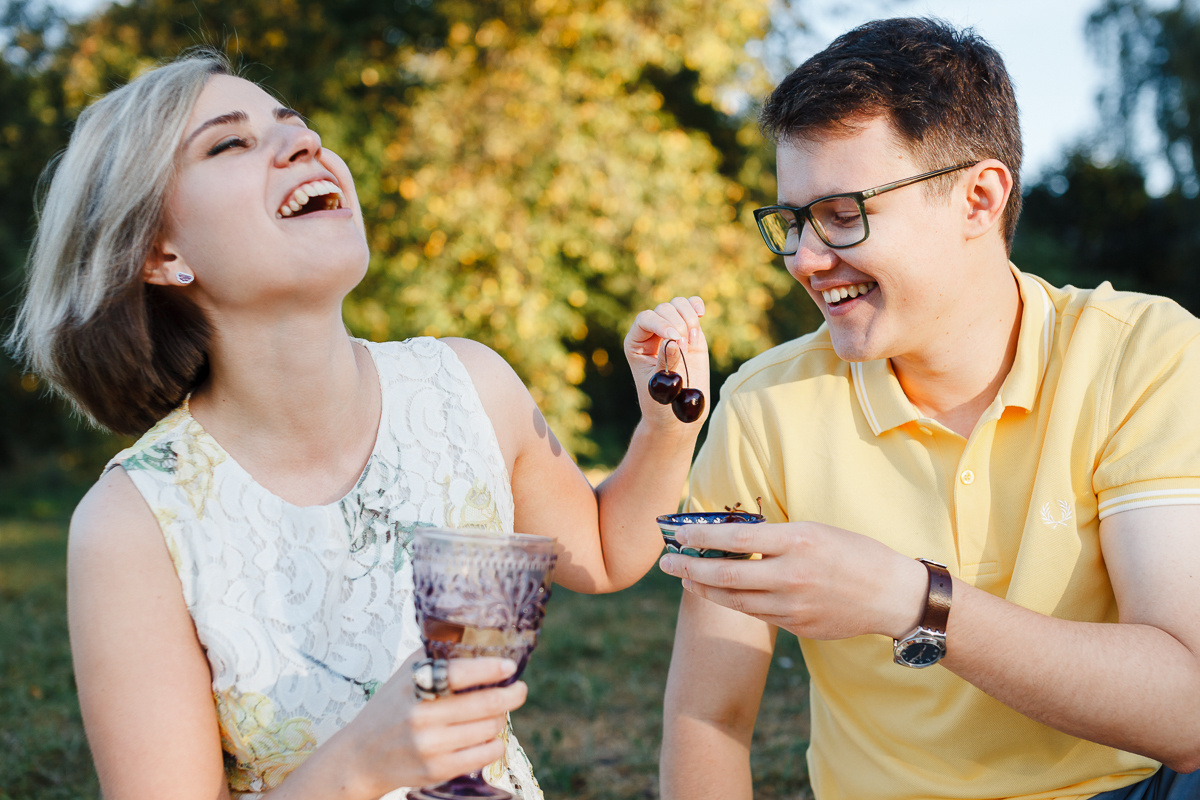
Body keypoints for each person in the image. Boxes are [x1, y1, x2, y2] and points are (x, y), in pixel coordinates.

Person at [5, 49, 710, 799]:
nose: (304, 142)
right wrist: (361, 766)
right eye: (231, 142)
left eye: (295, 123)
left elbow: (603, 553)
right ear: (158, 251)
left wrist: (665, 427)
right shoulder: (134, 522)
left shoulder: (466, 384)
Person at [657, 16, 1200, 800]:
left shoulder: (1142, 355)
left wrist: (911, 600)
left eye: (843, 213)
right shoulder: (763, 408)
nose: (804, 259)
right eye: (793, 221)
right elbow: (708, 715)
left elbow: (1188, 711)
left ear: (979, 198)